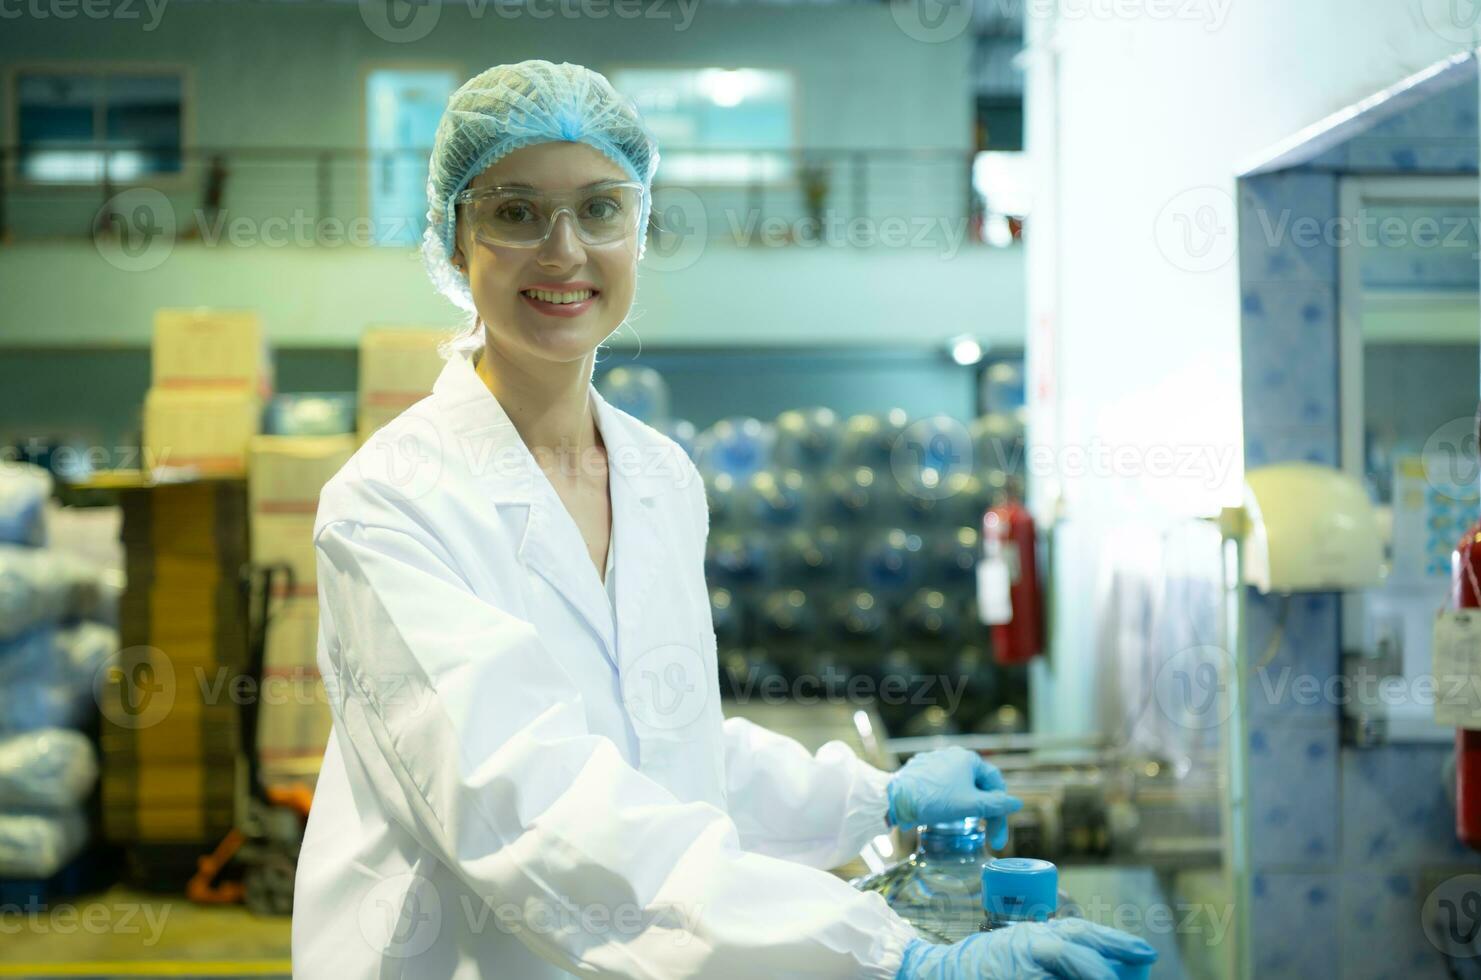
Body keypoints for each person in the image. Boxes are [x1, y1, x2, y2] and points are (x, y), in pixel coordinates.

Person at [291, 59, 1157, 979]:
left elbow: (668, 744)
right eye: (514, 212)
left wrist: (871, 799)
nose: (564, 252)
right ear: (454, 240)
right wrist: (886, 955)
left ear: (640, 225)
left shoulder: (660, 478)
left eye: (600, 208)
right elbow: (528, 805)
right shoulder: (391, 504)